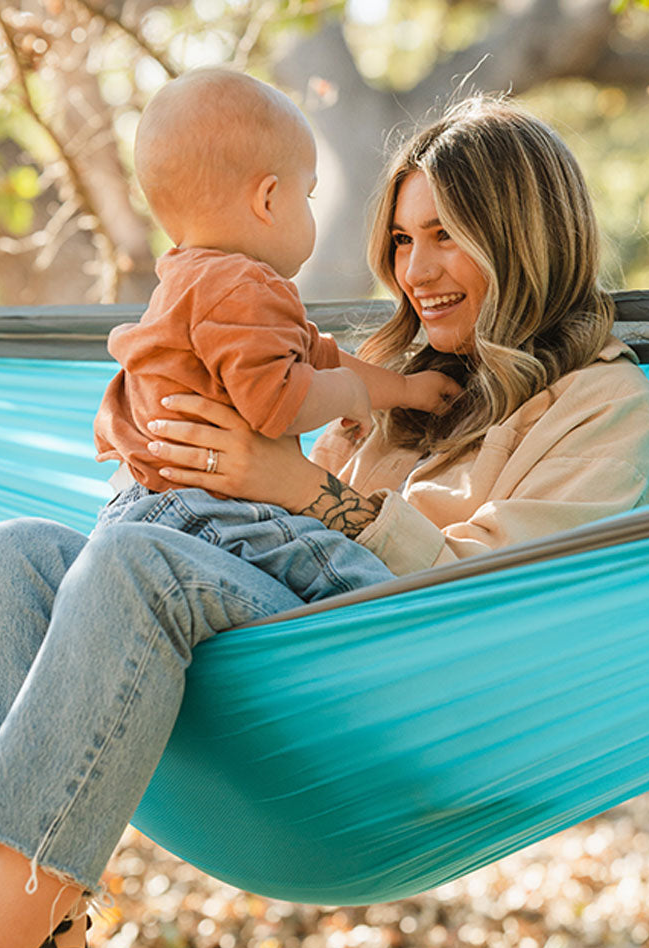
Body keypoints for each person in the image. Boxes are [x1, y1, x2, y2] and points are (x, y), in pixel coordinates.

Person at [0, 94, 649, 948]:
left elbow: (496, 602)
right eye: (398, 241)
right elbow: (261, 533)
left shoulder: (608, 413)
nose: (414, 272)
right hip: (275, 670)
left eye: (445, 235)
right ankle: (41, 947)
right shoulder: (394, 380)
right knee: (14, 552)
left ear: (524, 234)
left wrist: (296, 485)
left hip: (403, 708)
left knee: (132, 566)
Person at [93, 67, 457, 602]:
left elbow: (316, 355)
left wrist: (405, 390)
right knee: (363, 580)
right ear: (267, 200)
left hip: (137, 507)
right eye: (307, 196)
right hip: (208, 510)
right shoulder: (245, 286)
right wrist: (349, 396)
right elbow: (278, 402)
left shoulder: (187, 280)